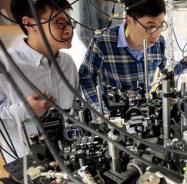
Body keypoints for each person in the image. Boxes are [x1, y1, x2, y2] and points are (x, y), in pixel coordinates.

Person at [0, 0, 78, 163]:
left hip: (71, 157)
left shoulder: (68, 63)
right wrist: (23, 110)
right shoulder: (5, 64)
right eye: (60, 23)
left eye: (70, 22)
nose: (69, 30)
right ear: (30, 23)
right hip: (27, 165)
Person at [79, 0, 167, 112]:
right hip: (114, 116)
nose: (156, 34)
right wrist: (101, 111)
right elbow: (85, 76)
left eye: (161, 26)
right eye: (150, 27)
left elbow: (166, 71)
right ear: (129, 20)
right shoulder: (103, 42)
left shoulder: (160, 43)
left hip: (145, 113)